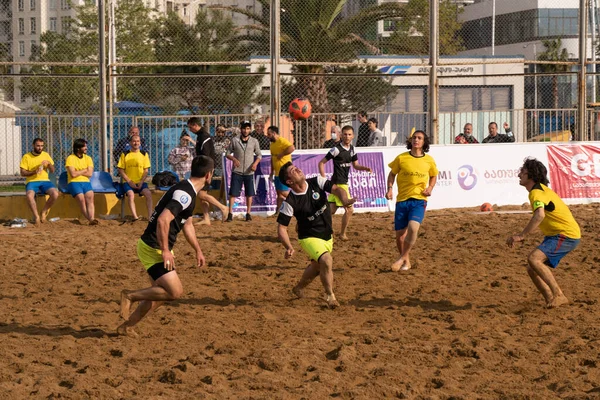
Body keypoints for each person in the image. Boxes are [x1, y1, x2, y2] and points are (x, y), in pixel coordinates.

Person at [118, 155, 214, 336]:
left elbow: (187, 224)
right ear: (209, 175)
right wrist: (165, 251)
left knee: (158, 295)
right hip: (153, 246)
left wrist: (198, 250)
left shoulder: (188, 191)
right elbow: (163, 220)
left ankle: (127, 326)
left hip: (155, 245)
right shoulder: (185, 194)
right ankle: (129, 295)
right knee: (174, 292)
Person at [277, 161, 356, 309]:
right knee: (326, 260)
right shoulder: (290, 202)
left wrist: (344, 200)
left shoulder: (316, 181)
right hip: (308, 237)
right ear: (290, 181)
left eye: (296, 167)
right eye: (293, 170)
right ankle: (329, 295)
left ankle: (299, 288)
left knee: (317, 266)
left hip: (327, 234)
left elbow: (337, 189)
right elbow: (282, 228)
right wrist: (288, 247)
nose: (298, 169)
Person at [506, 158, 581, 308]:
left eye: (522, 171)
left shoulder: (536, 193)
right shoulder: (539, 190)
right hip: (558, 234)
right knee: (532, 267)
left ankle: (559, 295)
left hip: (566, 234)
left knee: (533, 259)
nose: (519, 174)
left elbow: (540, 215)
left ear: (530, 175)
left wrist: (521, 235)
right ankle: (551, 299)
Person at [385, 130, 438, 272]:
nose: (416, 140)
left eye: (419, 138)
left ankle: (402, 258)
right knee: (400, 236)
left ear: (424, 142)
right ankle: (406, 261)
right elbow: (392, 174)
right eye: (414, 137)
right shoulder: (401, 158)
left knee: (414, 228)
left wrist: (430, 188)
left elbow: (433, 176)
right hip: (402, 200)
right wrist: (390, 188)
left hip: (419, 200)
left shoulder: (429, 160)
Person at [318, 125, 372, 240]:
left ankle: (310, 224)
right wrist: (323, 177)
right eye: (345, 134)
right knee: (349, 209)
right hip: (339, 184)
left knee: (331, 210)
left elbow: (356, 165)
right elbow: (321, 163)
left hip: (340, 183)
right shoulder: (336, 149)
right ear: (341, 135)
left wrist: (365, 168)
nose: (347, 137)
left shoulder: (352, 149)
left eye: (349, 134)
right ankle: (342, 234)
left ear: (353, 136)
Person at [225, 121, 262, 222]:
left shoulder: (254, 141)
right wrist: (234, 159)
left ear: (250, 129)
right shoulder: (235, 140)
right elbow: (227, 153)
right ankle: (230, 213)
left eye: (248, 129)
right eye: (244, 128)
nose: (246, 131)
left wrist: (255, 164)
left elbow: (259, 155)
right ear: (241, 129)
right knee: (233, 193)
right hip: (237, 171)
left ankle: (248, 213)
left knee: (249, 193)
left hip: (249, 172)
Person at [19, 138, 60, 225]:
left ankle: (43, 212)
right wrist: (34, 171)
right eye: (38, 146)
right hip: (32, 181)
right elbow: (22, 173)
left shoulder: (46, 155)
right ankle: (36, 216)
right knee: (29, 195)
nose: (40, 148)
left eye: (42, 146)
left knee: (55, 194)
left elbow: (52, 170)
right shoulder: (26, 156)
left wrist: (49, 164)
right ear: (33, 145)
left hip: (45, 181)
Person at [188, 117, 219, 225]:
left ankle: (223, 208)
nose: (190, 129)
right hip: (203, 169)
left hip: (205, 169)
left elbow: (207, 156)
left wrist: (209, 173)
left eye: (190, 127)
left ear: (195, 125)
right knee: (202, 195)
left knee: (201, 194)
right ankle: (206, 218)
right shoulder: (200, 136)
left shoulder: (204, 137)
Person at [118, 134, 153, 220]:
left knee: (148, 194)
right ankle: (135, 217)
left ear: (140, 143)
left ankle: (150, 216)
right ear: (130, 143)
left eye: (137, 141)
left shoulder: (144, 154)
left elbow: (146, 170)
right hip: (128, 182)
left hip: (140, 182)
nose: (135, 143)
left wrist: (141, 182)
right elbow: (121, 170)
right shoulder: (125, 154)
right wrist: (129, 181)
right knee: (130, 195)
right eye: (134, 141)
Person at [65, 138, 98, 225]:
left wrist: (78, 171)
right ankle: (90, 219)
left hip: (86, 182)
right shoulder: (70, 158)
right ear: (78, 148)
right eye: (84, 146)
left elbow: (90, 173)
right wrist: (84, 170)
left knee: (90, 197)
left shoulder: (88, 158)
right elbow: (73, 175)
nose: (86, 148)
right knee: (81, 199)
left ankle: (92, 218)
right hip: (73, 182)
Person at [267, 125, 295, 213]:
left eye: (269, 134)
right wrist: (271, 171)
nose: (267, 136)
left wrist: (282, 154)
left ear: (274, 133)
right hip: (277, 172)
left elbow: (292, 148)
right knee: (279, 193)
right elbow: (272, 158)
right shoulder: (272, 145)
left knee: (283, 192)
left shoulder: (282, 141)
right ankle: (277, 211)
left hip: (285, 172)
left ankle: (298, 201)